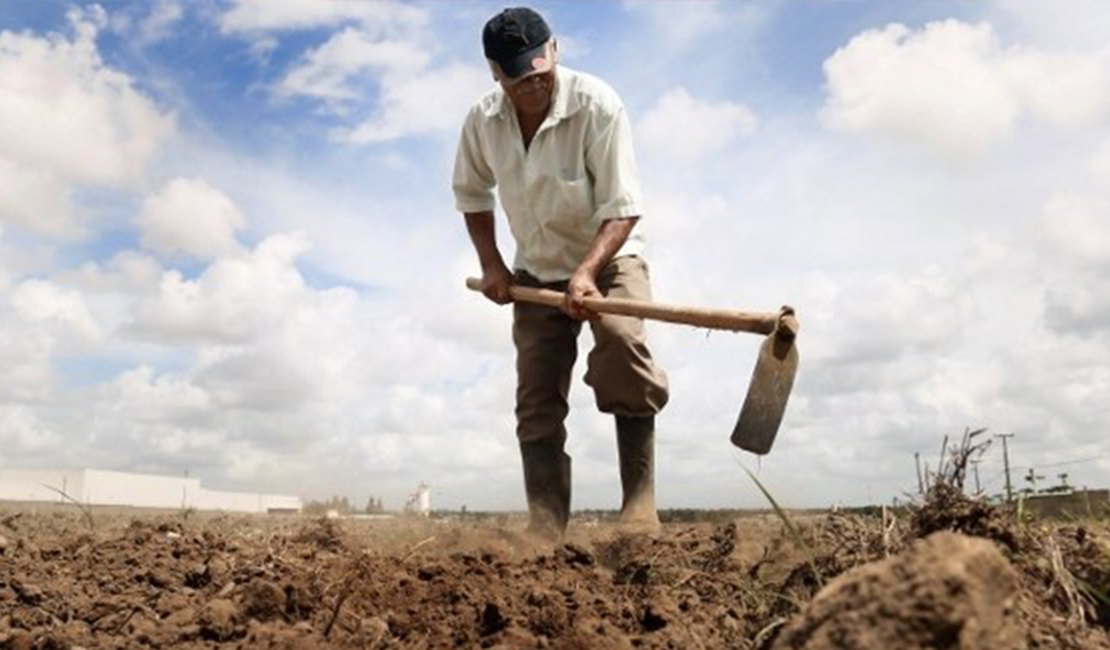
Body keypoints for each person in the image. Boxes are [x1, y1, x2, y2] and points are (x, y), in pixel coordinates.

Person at [452, 7, 668, 539]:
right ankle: (545, 526)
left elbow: (623, 205)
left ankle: (639, 506)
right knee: (537, 397)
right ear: (496, 75)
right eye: (519, 80)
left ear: (556, 52)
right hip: (535, 271)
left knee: (621, 342)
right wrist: (493, 265)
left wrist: (588, 273)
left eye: (541, 73)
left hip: (610, 257)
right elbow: (471, 193)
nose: (533, 87)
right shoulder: (482, 121)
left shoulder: (598, 105)